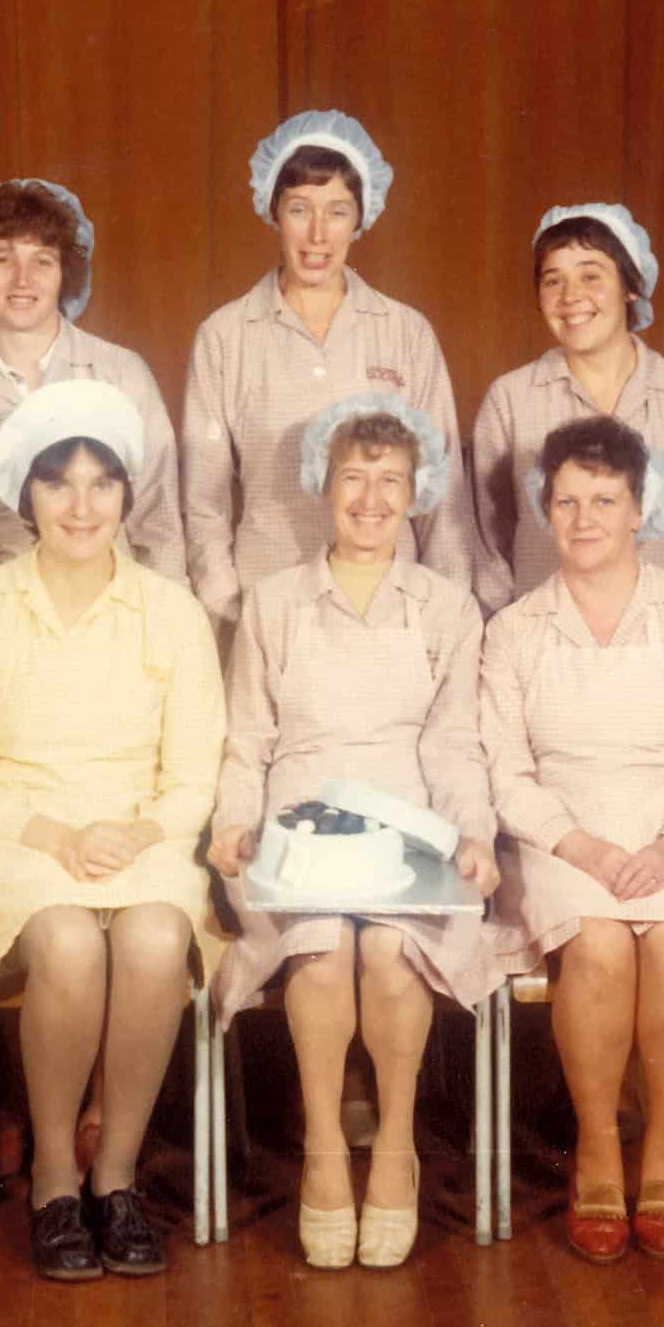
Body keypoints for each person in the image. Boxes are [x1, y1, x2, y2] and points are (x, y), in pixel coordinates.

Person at [0, 378, 225, 1281]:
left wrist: (136, 837)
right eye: (60, 484)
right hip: (16, 839)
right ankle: (55, 1177)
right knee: (65, 940)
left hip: (142, 837)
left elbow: (194, 779)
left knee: (154, 934)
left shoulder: (173, 611)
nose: (82, 505)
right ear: (28, 496)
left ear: (129, 497)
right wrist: (54, 835)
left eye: (103, 483)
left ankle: (117, 1177)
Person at [206, 393, 501, 1269]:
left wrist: (473, 835)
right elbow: (247, 736)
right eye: (352, 479)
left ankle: (398, 1149)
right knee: (326, 944)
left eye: (392, 481)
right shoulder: (275, 602)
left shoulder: (447, 608)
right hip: (297, 830)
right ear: (321, 488)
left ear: (417, 494)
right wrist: (232, 824)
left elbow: (454, 742)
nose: (371, 499)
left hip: (411, 832)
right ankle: (328, 1154)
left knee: (388, 954)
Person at [480, 416, 664, 1264]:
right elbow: (506, 774)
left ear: (642, 508)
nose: (585, 517)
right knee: (599, 947)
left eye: (605, 499)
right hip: (564, 839)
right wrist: (585, 849)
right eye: (566, 500)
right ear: (545, 510)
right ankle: (599, 1150)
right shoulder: (514, 630)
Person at [182, 110, 477, 633]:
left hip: (393, 608)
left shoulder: (406, 332)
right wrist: (228, 609)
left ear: (361, 218)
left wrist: (447, 614)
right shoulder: (225, 336)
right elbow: (203, 503)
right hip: (268, 605)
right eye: (300, 209)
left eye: (337, 211)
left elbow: (443, 495)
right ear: (273, 213)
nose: (317, 234)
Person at [470, 203, 664, 621]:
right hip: (545, 662)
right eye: (552, 280)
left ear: (631, 286)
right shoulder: (510, 401)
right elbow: (484, 544)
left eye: (591, 276)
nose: (570, 297)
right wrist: (512, 632)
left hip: (662, 660)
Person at [0, 178, 186, 601]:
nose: (22, 279)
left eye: (42, 261)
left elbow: (160, 524)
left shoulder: (123, 375)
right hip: (6, 629)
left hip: (123, 620)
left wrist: (164, 627)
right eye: (3, 259)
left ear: (65, 274)